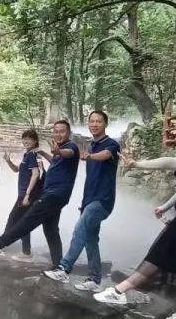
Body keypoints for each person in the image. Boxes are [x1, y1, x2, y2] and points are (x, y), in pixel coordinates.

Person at [93, 113, 176, 319]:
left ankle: (119, 292)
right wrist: (165, 206)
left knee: (158, 256)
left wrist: (137, 164)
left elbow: (168, 162)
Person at [0, 120, 79, 267]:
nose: (58, 134)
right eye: (56, 131)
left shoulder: (71, 147)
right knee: (51, 230)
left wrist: (27, 194)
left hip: (54, 194)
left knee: (28, 219)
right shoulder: (43, 152)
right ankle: (59, 266)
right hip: (52, 193)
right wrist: (44, 152)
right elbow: (54, 161)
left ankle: (1, 243)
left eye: (62, 131)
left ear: (69, 133)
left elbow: (67, 155)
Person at [43, 110, 120, 292]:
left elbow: (105, 155)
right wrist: (84, 203)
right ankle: (94, 279)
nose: (94, 124)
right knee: (90, 238)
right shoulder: (91, 146)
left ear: (105, 124)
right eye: (92, 121)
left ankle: (64, 268)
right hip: (90, 199)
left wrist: (91, 156)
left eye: (98, 121)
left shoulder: (112, 144)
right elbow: (91, 178)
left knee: (80, 229)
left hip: (103, 199)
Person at [0, 129, 44, 261]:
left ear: (35, 141)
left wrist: (27, 194)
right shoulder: (27, 155)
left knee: (13, 219)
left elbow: (36, 174)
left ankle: (0, 244)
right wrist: (8, 161)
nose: (26, 141)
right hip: (24, 194)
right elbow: (16, 170)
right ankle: (26, 252)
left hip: (27, 194)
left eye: (29, 139)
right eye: (24, 138)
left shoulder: (33, 155)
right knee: (23, 223)